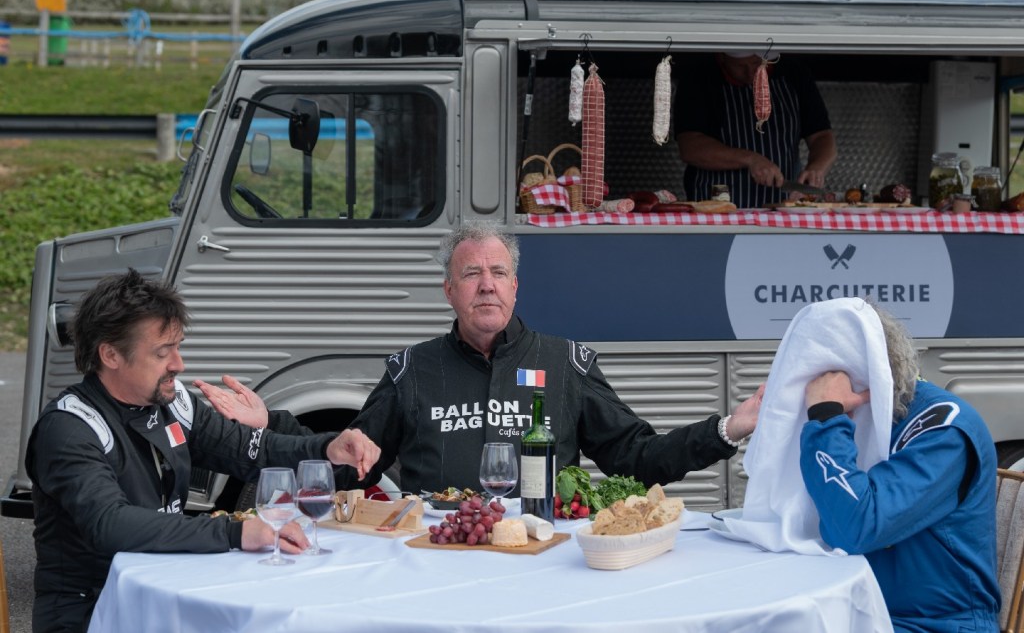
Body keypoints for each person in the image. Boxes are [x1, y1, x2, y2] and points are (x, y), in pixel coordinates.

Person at [201, 222, 762, 496]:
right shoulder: (411, 370)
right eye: (471, 274)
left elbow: (636, 459)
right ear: (450, 291)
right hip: (434, 557)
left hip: (544, 561)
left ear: (516, 288)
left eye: (497, 274)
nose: (486, 287)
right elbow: (353, 460)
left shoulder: (567, 363)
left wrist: (727, 429)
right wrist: (267, 424)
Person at [26, 269, 380, 633]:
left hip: (163, 592)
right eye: (163, 352)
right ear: (111, 355)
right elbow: (110, 523)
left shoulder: (173, 401)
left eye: (178, 347)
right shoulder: (70, 428)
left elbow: (255, 451)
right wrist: (235, 533)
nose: (178, 364)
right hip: (92, 611)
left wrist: (329, 448)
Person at [800, 304, 999, 632]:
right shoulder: (872, 420)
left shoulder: (943, 430)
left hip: (933, 622)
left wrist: (826, 417)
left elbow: (856, 528)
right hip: (861, 608)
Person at [675, 51, 837, 208]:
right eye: (740, 66)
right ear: (722, 57)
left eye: (757, 64)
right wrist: (750, 159)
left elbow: (821, 136)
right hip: (718, 203)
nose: (750, 72)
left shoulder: (794, 73)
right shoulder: (699, 77)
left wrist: (816, 169)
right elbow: (690, 147)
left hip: (783, 204)